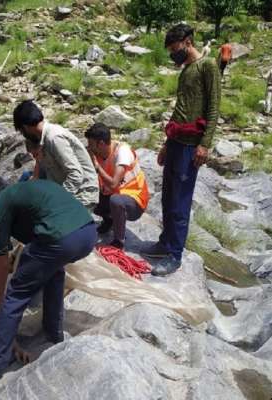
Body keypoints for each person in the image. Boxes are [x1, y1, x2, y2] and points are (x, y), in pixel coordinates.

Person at [0, 176, 97, 392]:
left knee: (15, 294)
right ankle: (54, 334)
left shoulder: (1, 204)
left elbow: (1, 256)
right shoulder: (28, 189)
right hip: (88, 233)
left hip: (60, 239)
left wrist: (0, 293)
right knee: (54, 271)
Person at [143, 23, 221, 276]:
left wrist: (205, 145)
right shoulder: (186, 69)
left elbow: (213, 108)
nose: (172, 54)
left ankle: (174, 255)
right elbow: (181, 109)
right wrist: (166, 143)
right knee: (167, 196)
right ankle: (165, 241)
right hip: (176, 142)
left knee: (181, 201)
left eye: (174, 48)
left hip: (191, 146)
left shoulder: (207, 66)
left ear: (188, 42)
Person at [12, 100, 99, 209]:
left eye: (21, 131)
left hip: (82, 195)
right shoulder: (43, 139)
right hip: (67, 191)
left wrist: (55, 199)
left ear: (25, 127)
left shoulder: (54, 138)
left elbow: (76, 175)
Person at [85, 123, 149, 249]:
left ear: (101, 144)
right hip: (111, 193)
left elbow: (114, 184)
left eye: (91, 144)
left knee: (116, 201)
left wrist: (96, 166)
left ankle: (119, 240)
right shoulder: (97, 153)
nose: (89, 147)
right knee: (88, 193)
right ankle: (109, 220)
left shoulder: (122, 152)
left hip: (135, 200)